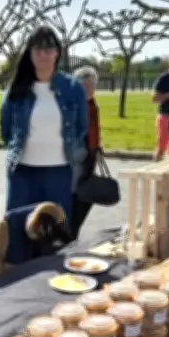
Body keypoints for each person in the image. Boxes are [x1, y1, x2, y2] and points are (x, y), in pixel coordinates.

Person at [0, 26, 87, 219]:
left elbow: (82, 127)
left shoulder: (73, 88)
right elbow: (5, 130)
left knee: (56, 231)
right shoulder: (16, 88)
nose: (43, 55)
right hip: (22, 171)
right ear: (29, 53)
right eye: (37, 50)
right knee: (17, 230)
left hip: (60, 171)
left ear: (57, 53)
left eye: (48, 50)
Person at [70, 66, 101, 237]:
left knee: (86, 196)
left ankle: (73, 232)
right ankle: (70, 232)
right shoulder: (73, 104)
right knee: (76, 195)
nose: (90, 88)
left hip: (90, 154)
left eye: (92, 85)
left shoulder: (91, 103)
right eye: (86, 85)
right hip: (77, 157)